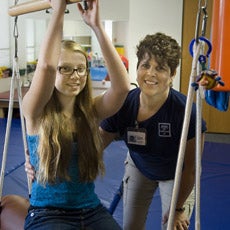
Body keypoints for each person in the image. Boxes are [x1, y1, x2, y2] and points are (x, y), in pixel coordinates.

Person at [21, 0, 130, 229]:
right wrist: (58, 9)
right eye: (65, 68)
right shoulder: (35, 111)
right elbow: (46, 67)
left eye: (81, 69)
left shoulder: (91, 111)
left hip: (90, 210)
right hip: (47, 213)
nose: (76, 75)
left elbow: (121, 88)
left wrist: (97, 27)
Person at [99, 32, 207, 230]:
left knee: (174, 227)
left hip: (176, 174)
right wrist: (57, 166)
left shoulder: (186, 113)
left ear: (172, 74)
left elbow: (191, 169)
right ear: (138, 67)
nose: (150, 74)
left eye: (160, 68)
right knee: (130, 226)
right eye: (145, 66)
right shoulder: (124, 104)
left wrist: (177, 209)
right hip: (139, 165)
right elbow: (95, 145)